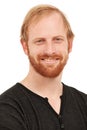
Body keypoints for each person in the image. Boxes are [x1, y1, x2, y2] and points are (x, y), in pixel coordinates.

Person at [0, 4, 87, 130]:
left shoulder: (84, 104)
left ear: (70, 44)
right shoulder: (7, 109)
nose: (50, 50)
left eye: (57, 39)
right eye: (40, 41)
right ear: (25, 46)